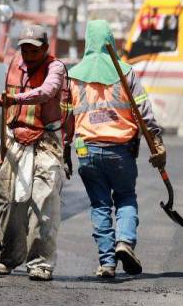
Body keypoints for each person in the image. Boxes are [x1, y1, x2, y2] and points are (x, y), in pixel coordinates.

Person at [64, 20, 166, 279]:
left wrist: (65, 150)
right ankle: (124, 242)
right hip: (120, 150)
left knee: (99, 204)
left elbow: (66, 120)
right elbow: (144, 112)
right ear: (110, 40)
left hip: (86, 151)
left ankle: (107, 262)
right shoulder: (125, 72)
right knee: (124, 198)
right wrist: (156, 141)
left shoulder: (74, 76)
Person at [0, 24, 68, 282]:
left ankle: (40, 263)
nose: (28, 53)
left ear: (45, 49)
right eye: (24, 48)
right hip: (17, 141)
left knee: (43, 202)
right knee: (8, 201)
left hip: (46, 142)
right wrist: (3, 150)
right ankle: (8, 257)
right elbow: (6, 105)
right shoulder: (15, 63)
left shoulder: (55, 68)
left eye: (34, 49)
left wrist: (18, 100)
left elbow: (47, 92)